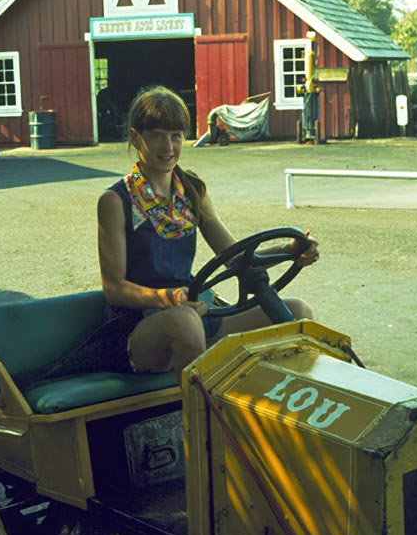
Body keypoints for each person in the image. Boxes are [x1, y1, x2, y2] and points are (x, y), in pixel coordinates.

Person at [98, 85, 320, 374]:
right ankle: (204, 417)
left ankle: (278, 412)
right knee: (184, 322)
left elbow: (235, 258)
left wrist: (289, 251)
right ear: (135, 138)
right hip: (136, 330)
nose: (168, 147)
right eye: (156, 136)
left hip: (192, 315)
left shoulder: (192, 191)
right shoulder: (116, 201)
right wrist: (167, 298)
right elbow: (114, 288)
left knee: (298, 314)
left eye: (175, 136)